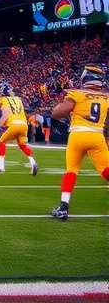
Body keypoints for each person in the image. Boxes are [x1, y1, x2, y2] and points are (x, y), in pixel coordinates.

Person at [49, 65, 109, 220]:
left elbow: (59, 113)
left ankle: (63, 207)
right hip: (97, 136)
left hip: (78, 135)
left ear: (86, 77)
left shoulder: (77, 93)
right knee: (105, 170)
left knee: (71, 171)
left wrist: (56, 110)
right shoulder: (106, 97)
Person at [0, 82, 38, 175]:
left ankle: (1, 165)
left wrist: (1, 123)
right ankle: (32, 162)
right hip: (24, 125)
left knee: (1, 142)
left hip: (14, 124)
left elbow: (6, 111)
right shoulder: (18, 99)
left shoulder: (2, 99)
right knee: (22, 145)